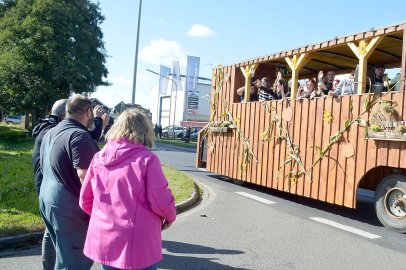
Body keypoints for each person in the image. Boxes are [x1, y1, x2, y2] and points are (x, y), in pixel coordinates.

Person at [79, 109, 176, 270]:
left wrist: (105, 218)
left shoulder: (99, 158)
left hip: (104, 237)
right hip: (138, 242)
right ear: (145, 130)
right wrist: (170, 216)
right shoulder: (147, 160)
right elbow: (160, 199)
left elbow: (85, 200)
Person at [39, 94, 99, 270]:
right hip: (69, 208)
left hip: (48, 200)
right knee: (74, 262)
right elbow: (85, 176)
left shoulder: (51, 132)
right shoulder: (80, 135)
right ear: (88, 111)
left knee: (62, 256)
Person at [31, 99, 68, 270]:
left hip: (44, 185)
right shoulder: (54, 130)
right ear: (64, 115)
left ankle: (49, 265)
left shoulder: (45, 127)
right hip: (51, 186)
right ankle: (53, 265)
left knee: (49, 229)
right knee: (55, 231)